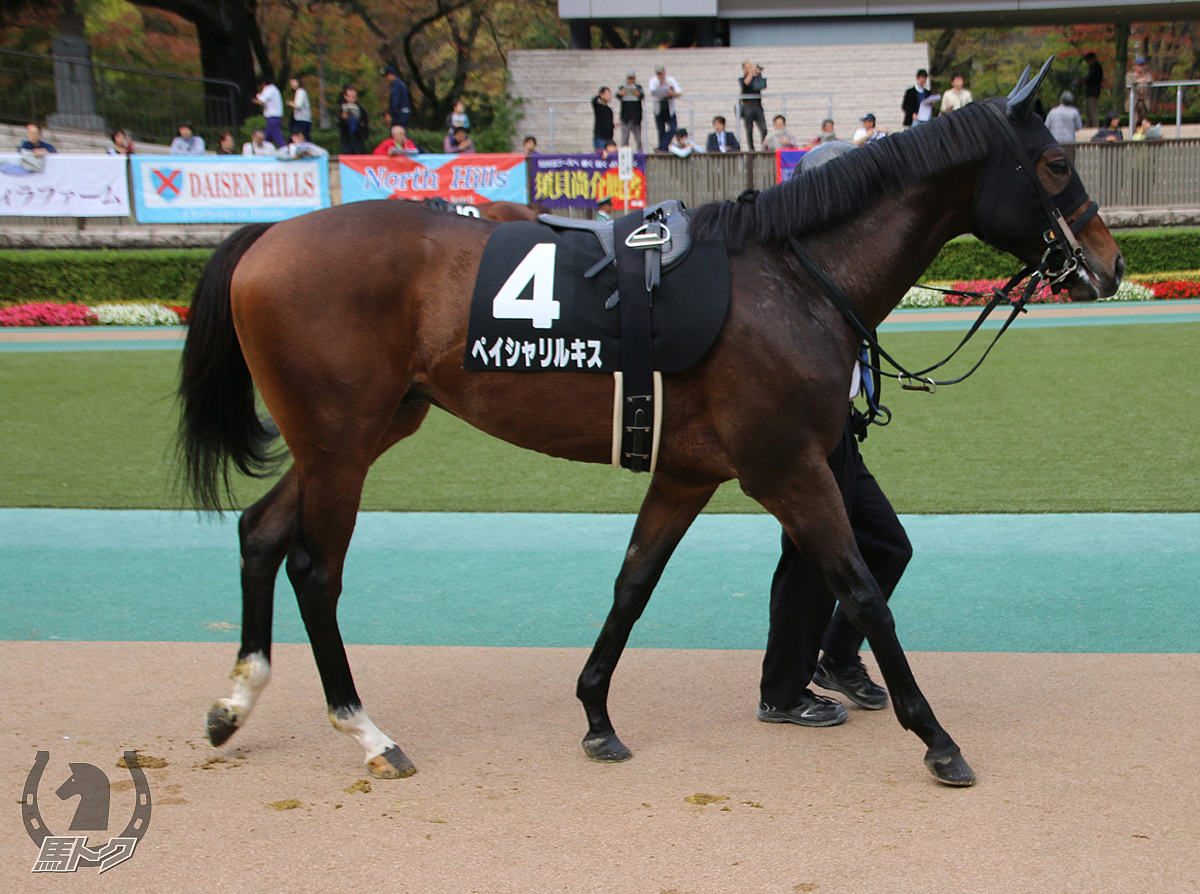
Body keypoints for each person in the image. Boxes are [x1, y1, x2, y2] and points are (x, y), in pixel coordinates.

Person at [759, 360, 911, 727]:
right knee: (807, 560)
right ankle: (781, 695)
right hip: (802, 427)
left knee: (888, 547)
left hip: (836, 425)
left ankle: (839, 659)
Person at [648, 65, 681, 153]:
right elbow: (652, 92)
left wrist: (672, 93)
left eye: (661, 73)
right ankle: (664, 149)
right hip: (659, 109)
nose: (660, 75)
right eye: (658, 74)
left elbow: (679, 92)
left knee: (673, 128)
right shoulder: (653, 81)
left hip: (669, 109)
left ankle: (661, 147)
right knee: (661, 131)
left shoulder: (671, 80)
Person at [739, 60, 768, 151]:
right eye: (747, 67)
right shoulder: (742, 79)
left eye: (750, 66)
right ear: (744, 69)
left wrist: (759, 74)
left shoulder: (755, 79)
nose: (750, 68)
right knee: (749, 130)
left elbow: (762, 86)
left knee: (764, 129)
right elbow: (746, 83)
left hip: (757, 106)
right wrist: (752, 72)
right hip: (747, 106)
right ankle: (751, 149)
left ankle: (764, 146)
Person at [616, 71, 644, 151]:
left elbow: (642, 95)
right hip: (625, 117)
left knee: (638, 139)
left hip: (636, 117)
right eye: (629, 79)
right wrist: (621, 94)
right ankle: (624, 155)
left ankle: (640, 154)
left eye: (632, 78)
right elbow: (617, 95)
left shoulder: (638, 87)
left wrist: (637, 94)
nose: (631, 80)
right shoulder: (622, 87)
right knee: (624, 139)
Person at [337, 86, 370, 155]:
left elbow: (365, 125)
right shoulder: (341, 109)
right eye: (350, 96)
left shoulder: (361, 110)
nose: (352, 99)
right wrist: (344, 119)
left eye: (354, 97)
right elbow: (339, 125)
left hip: (359, 141)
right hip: (347, 141)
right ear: (345, 96)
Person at [255, 77, 285, 148]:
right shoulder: (273, 89)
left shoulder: (269, 89)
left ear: (262, 84)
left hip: (272, 117)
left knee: (278, 138)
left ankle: (285, 150)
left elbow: (261, 100)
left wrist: (254, 100)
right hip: (273, 118)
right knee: (266, 138)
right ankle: (264, 151)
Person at [1127, 56, 1153, 124]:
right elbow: (1129, 83)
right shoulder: (1130, 75)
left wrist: (1146, 79)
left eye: (1142, 65)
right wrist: (1139, 80)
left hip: (1144, 102)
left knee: (1144, 122)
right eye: (1139, 65)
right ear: (1135, 66)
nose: (1141, 67)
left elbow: (1150, 80)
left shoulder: (1147, 75)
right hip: (1134, 101)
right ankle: (1133, 134)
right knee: (1134, 121)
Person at [287, 76, 312, 141]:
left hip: (301, 120)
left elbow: (298, 105)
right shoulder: (299, 92)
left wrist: (290, 103)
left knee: (300, 138)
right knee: (304, 138)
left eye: (294, 82)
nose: (292, 84)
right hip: (302, 119)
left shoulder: (300, 91)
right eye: (291, 83)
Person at [1083, 52, 1104, 128]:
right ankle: (1088, 125)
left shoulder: (1096, 67)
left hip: (1093, 92)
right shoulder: (1092, 68)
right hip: (1089, 92)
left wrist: (1084, 81)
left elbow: (1091, 79)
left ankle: (1095, 125)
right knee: (1088, 111)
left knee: (1092, 110)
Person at [592, 86, 615, 152]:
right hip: (600, 138)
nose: (610, 96)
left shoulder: (609, 110)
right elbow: (594, 101)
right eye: (608, 94)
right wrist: (598, 95)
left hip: (609, 139)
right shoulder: (598, 107)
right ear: (602, 95)